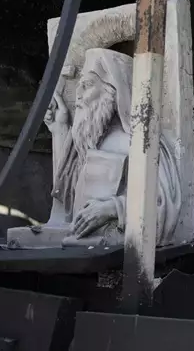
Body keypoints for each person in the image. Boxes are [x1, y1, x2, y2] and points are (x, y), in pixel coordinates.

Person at [51, 48, 182, 247]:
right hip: (81, 247)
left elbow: (164, 208)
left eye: (87, 85)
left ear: (113, 91)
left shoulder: (140, 143)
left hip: (117, 252)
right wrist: (59, 129)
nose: (78, 95)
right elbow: (66, 202)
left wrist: (112, 208)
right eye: (79, 86)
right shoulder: (92, 142)